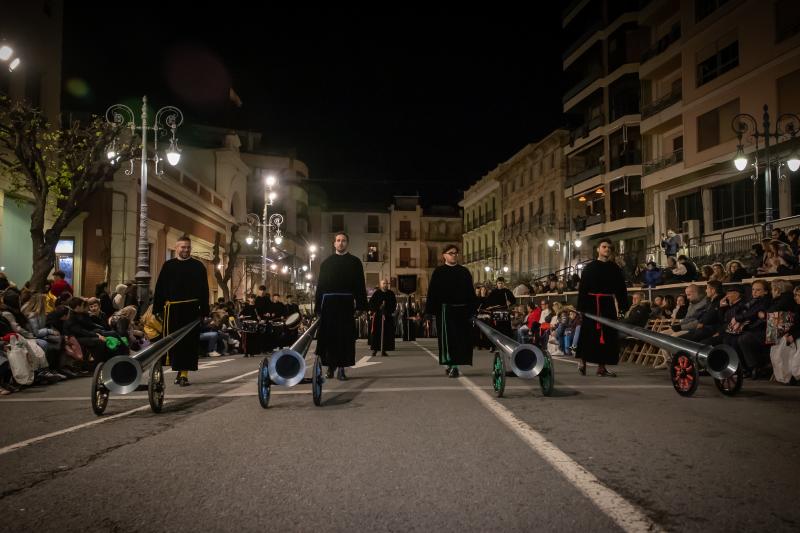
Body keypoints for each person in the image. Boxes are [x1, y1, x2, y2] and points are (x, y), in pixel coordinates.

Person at [153, 235, 210, 387]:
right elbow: (160, 288)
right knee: (173, 342)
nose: (185, 250)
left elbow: (205, 290)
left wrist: (205, 311)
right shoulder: (168, 266)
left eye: (188, 247)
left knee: (188, 344)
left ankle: (184, 374)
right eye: (182, 247)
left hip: (191, 310)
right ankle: (178, 370)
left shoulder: (198, 266)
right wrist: (157, 309)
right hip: (172, 310)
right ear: (176, 248)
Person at [314, 232, 368, 381]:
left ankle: (342, 369)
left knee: (344, 338)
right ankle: (330, 367)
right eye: (338, 240)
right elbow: (320, 286)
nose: (340, 243)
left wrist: (361, 306)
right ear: (334, 243)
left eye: (343, 240)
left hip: (346, 305)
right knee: (330, 337)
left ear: (347, 243)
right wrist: (318, 307)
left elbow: (359, 285)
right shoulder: (326, 263)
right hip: (329, 306)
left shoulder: (355, 262)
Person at [575, 238, 629, 377]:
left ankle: (602, 367)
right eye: (604, 247)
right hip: (591, 304)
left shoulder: (614, 268)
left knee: (607, 335)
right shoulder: (589, 267)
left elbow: (621, 289)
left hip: (607, 304)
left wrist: (623, 306)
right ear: (598, 249)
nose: (607, 249)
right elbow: (583, 289)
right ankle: (582, 361)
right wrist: (581, 308)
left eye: (609, 248)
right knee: (589, 334)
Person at [425, 244, 477, 378]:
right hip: (445, 311)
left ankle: (454, 365)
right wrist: (430, 312)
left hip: (462, 311)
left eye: (456, 253)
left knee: (461, 339)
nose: (454, 255)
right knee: (449, 340)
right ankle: (452, 365)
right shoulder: (439, 272)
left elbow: (470, 292)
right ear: (444, 255)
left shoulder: (464, 272)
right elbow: (432, 293)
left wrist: (472, 310)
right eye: (451, 253)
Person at [368, 278, 397, 356]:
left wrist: (387, 310)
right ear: (381, 285)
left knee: (386, 334)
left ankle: (383, 350)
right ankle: (375, 349)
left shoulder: (391, 293)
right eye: (383, 283)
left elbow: (394, 304)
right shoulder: (377, 293)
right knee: (376, 333)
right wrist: (378, 308)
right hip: (378, 317)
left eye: (386, 283)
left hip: (387, 317)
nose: (385, 285)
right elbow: (371, 303)